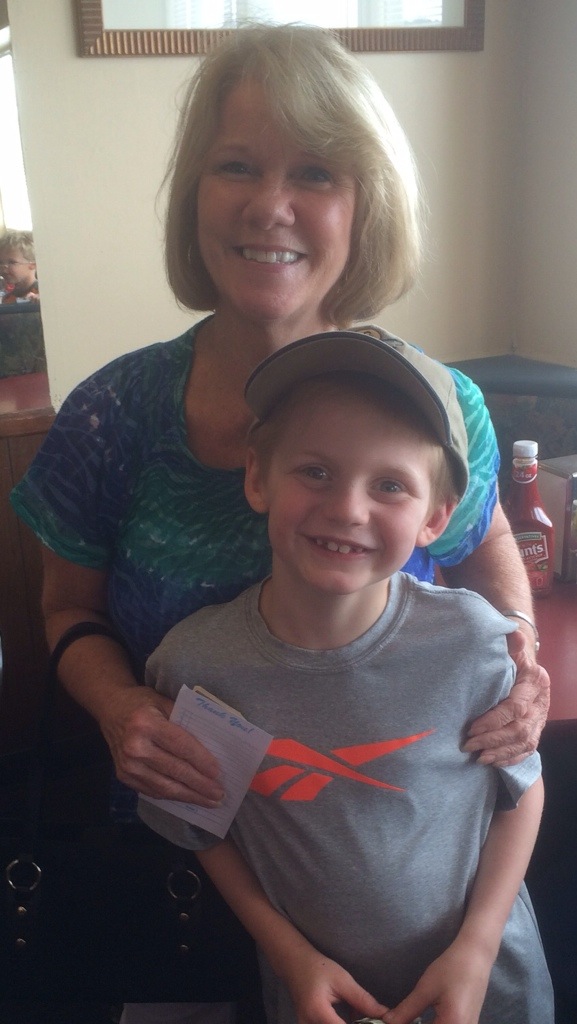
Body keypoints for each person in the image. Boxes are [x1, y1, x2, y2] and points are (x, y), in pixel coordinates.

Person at [9, 22, 549, 1024]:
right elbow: (62, 609)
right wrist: (122, 707)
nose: (271, 204)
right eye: (236, 166)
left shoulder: (439, 408)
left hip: (406, 880)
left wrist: (520, 663)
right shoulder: (112, 415)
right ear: (194, 194)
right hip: (190, 869)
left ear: (363, 207)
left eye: (314, 172)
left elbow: (485, 558)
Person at [139, 329, 554, 1024]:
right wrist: (289, 956)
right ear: (257, 477)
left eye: (389, 485)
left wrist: (477, 949)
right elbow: (204, 826)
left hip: (490, 992)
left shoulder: (472, 641)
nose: (347, 509)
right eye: (315, 472)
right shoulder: (196, 666)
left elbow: (521, 792)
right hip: (315, 1001)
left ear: (436, 516)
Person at [0, 228, 39, 302]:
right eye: (0, 262)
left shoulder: (44, 293)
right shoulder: (8, 298)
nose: (4, 268)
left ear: (33, 265)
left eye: (12, 262)